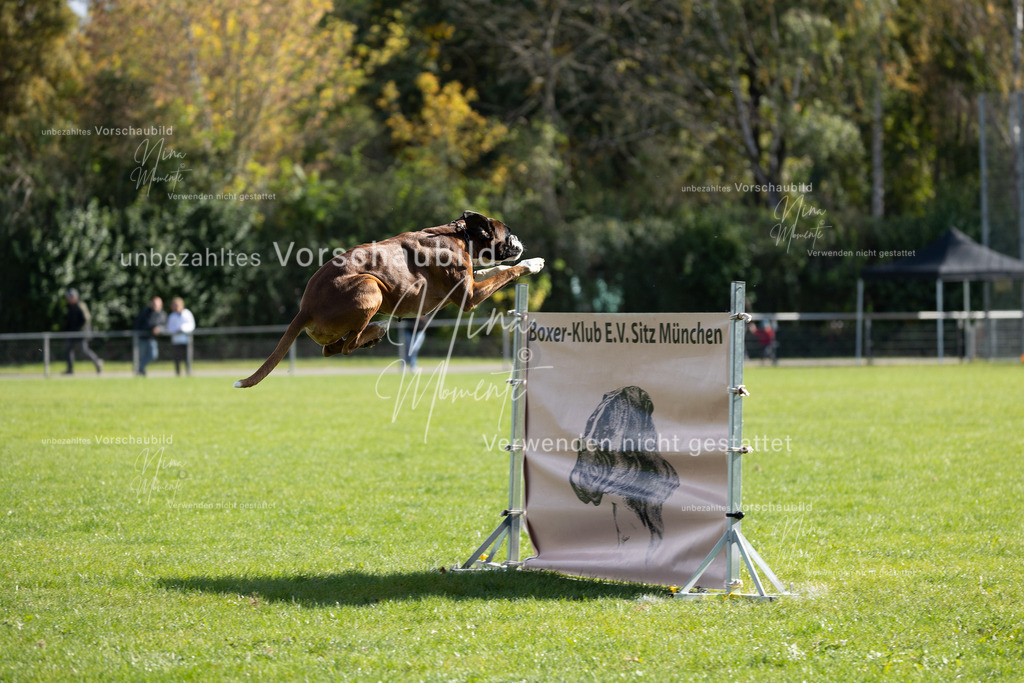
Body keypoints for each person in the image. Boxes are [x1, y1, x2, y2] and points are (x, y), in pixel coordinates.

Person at [63, 288, 103, 375]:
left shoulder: (80, 305)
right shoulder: (69, 307)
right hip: (73, 333)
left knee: (84, 350)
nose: (68, 299)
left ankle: (98, 363)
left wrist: (80, 330)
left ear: (75, 297)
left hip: (82, 333)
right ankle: (70, 369)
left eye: (70, 297)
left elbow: (86, 319)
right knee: (68, 350)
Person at [133, 296, 167, 376]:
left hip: (152, 338)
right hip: (142, 337)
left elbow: (164, 326)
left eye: (157, 304)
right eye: (154, 304)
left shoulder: (162, 314)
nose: (155, 306)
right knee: (140, 356)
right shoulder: (145, 312)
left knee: (153, 355)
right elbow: (139, 324)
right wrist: (150, 328)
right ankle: (140, 371)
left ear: (160, 305)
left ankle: (140, 368)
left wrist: (158, 329)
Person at [166, 297, 196, 376]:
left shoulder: (187, 313)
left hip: (186, 340)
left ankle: (188, 372)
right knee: (177, 358)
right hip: (176, 340)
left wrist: (182, 329)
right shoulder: (172, 316)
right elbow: (169, 327)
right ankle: (178, 373)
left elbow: (191, 325)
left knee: (187, 358)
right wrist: (176, 330)